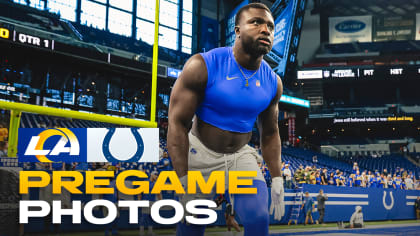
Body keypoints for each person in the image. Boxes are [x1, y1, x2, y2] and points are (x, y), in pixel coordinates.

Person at [167, 3, 283, 235]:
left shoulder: (273, 82)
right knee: (192, 224)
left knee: (259, 218)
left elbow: (270, 133)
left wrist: (277, 177)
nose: (265, 30)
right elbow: (177, 124)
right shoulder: (202, 65)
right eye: (256, 22)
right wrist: (182, 178)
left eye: (270, 25)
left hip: (241, 155)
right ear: (237, 30)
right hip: (201, 152)